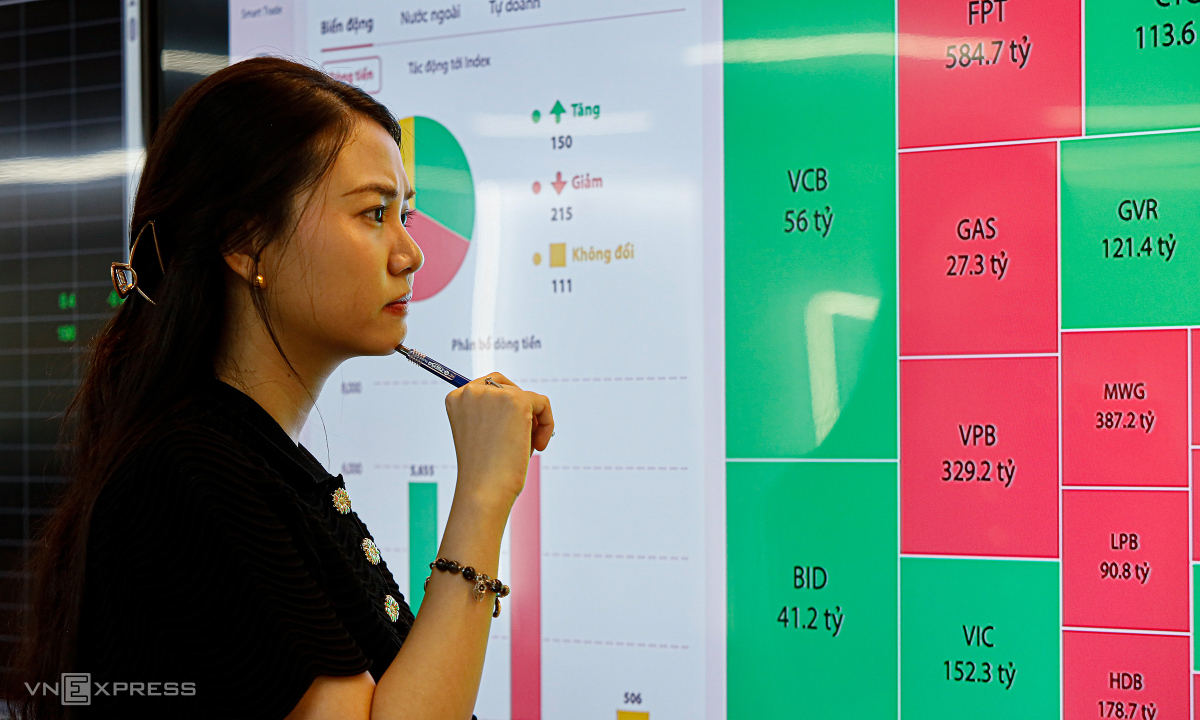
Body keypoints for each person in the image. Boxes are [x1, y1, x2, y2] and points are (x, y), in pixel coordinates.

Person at [9, 57, 553, 719]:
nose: (410, 254)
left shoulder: (250, 460)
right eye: (374, 213)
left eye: (405, 216)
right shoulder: (190, 475)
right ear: (246, 241)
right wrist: (482, 497)